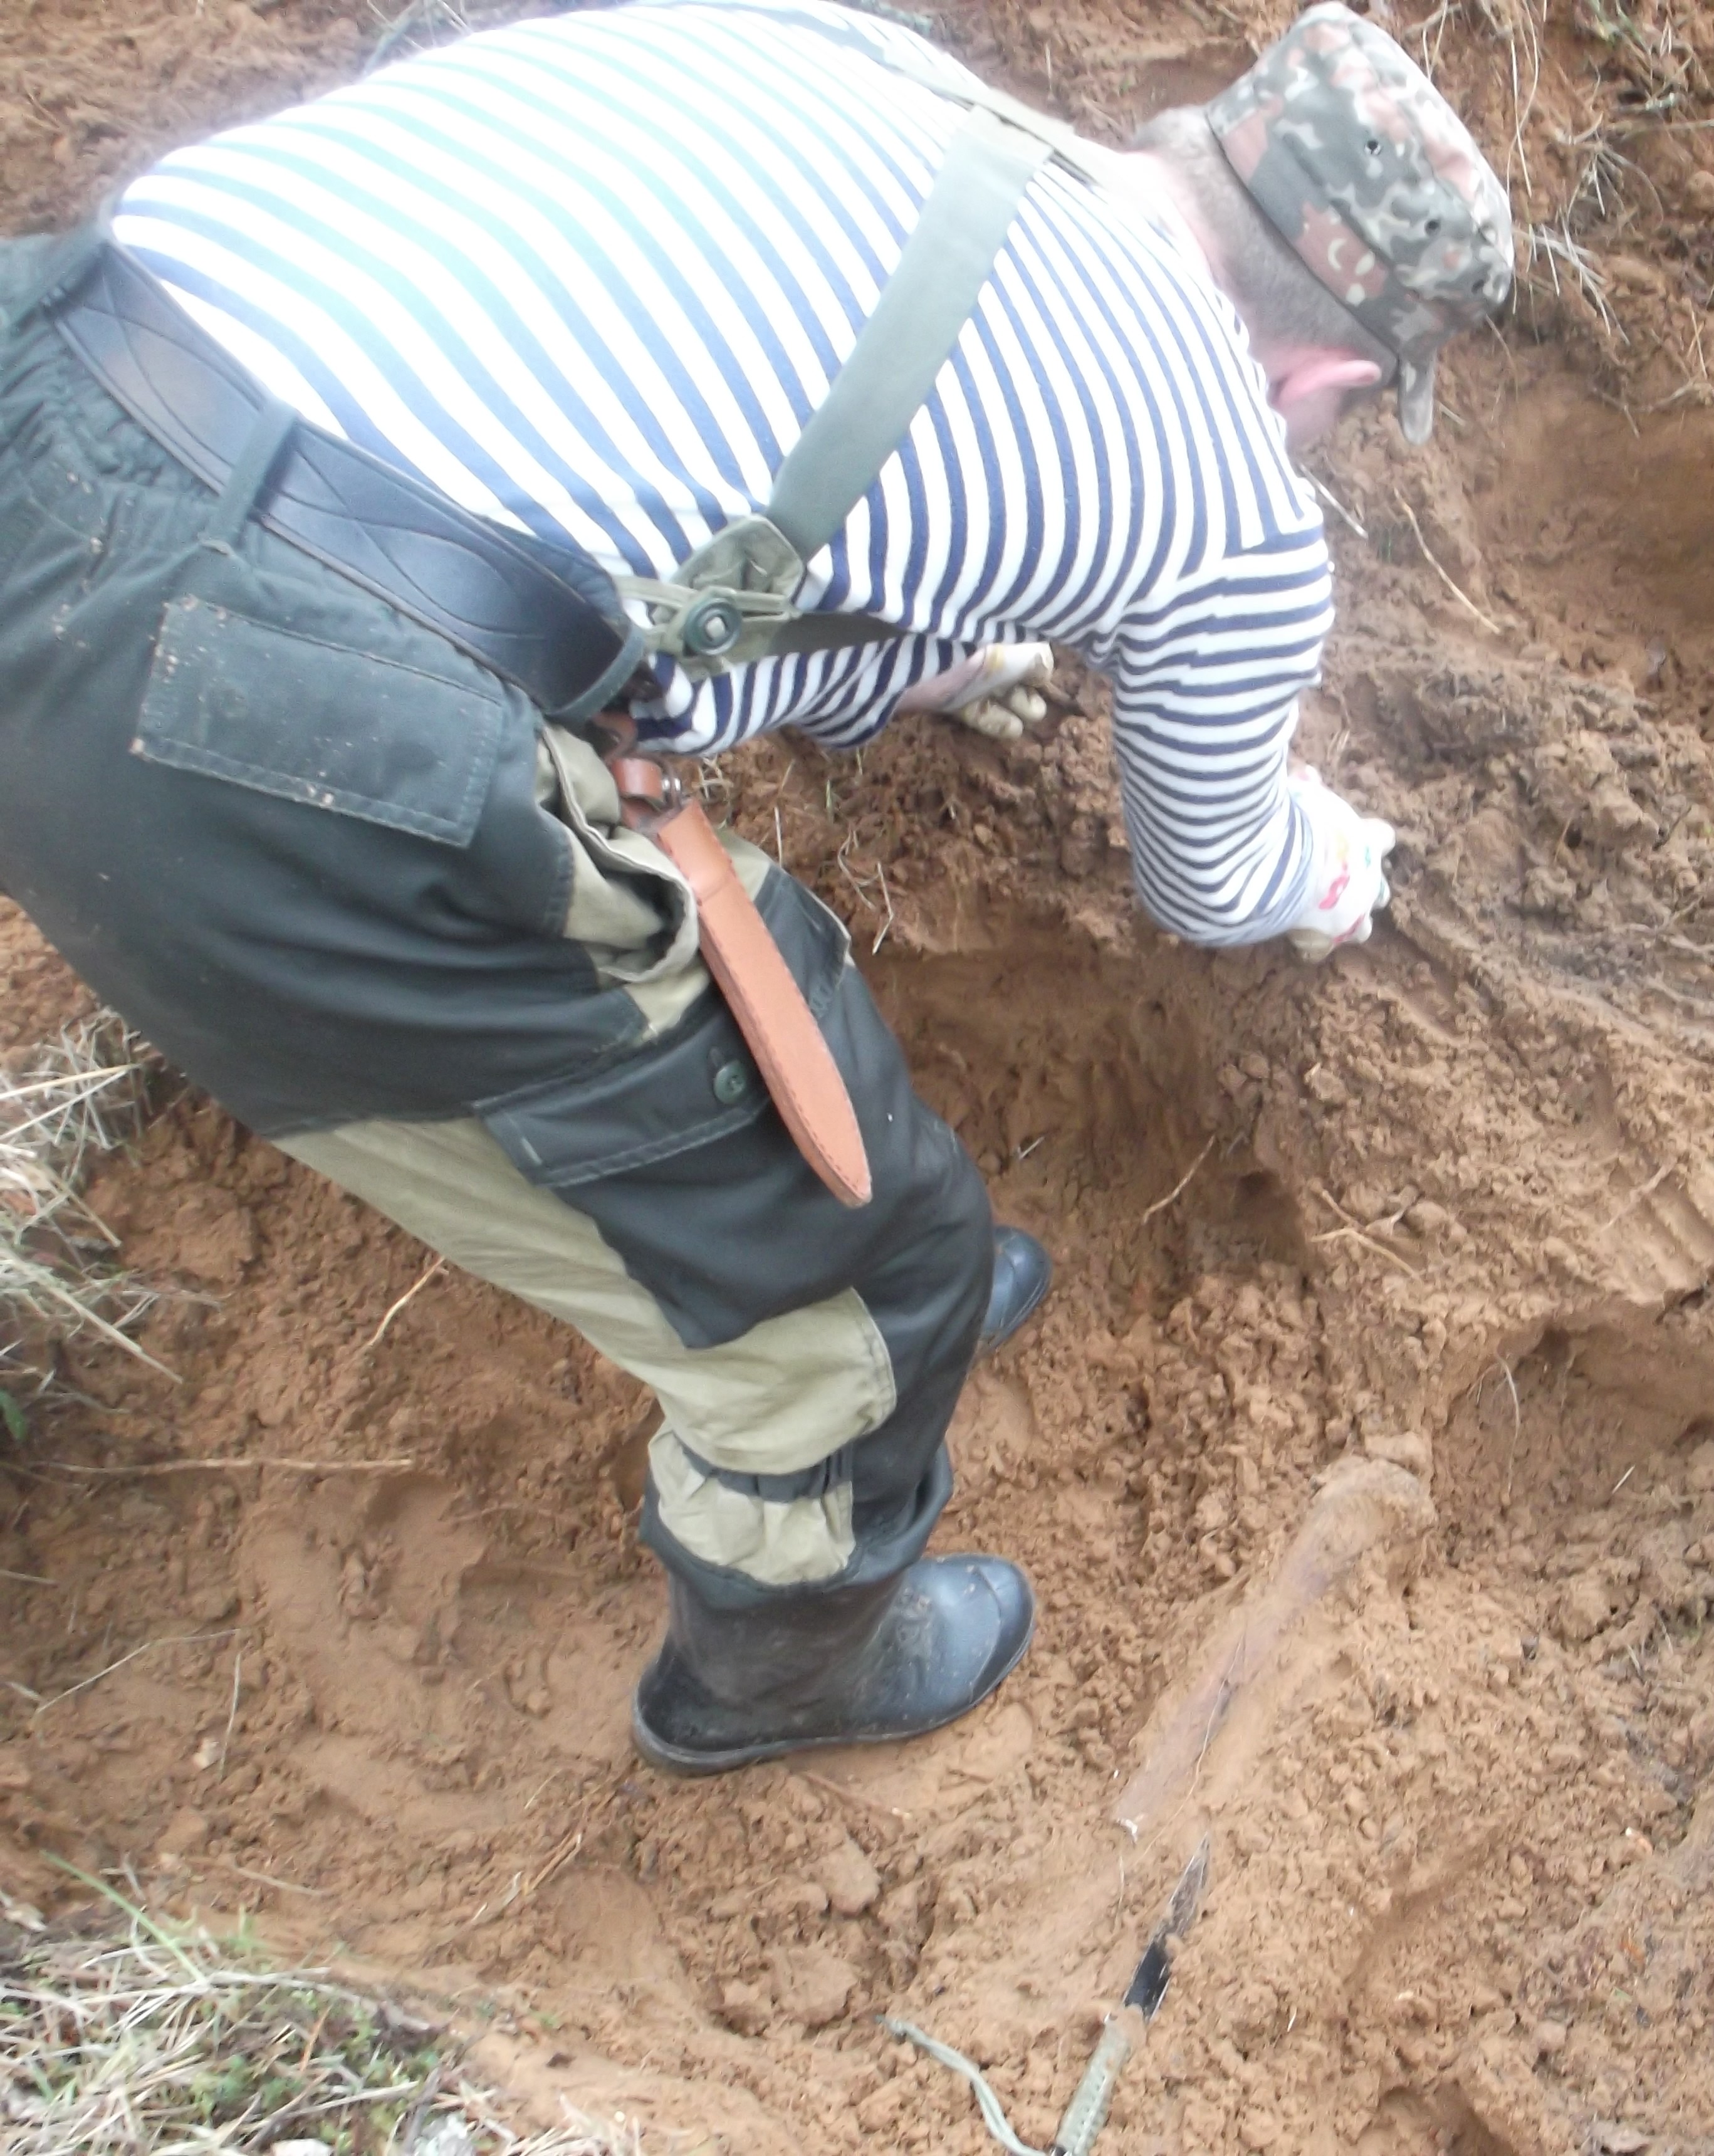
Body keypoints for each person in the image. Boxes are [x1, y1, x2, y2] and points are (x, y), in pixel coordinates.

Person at [0, 0, 1510, 1771]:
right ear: (1331, 383)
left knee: (795, 1026)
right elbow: (1211, 872)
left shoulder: (839, 49)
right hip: (258, 731)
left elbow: (706, 455)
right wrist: (1325, 863)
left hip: (58, 377)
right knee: (872, 1272)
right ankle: (776, 1677)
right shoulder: (1238, 520)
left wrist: (928, 657)